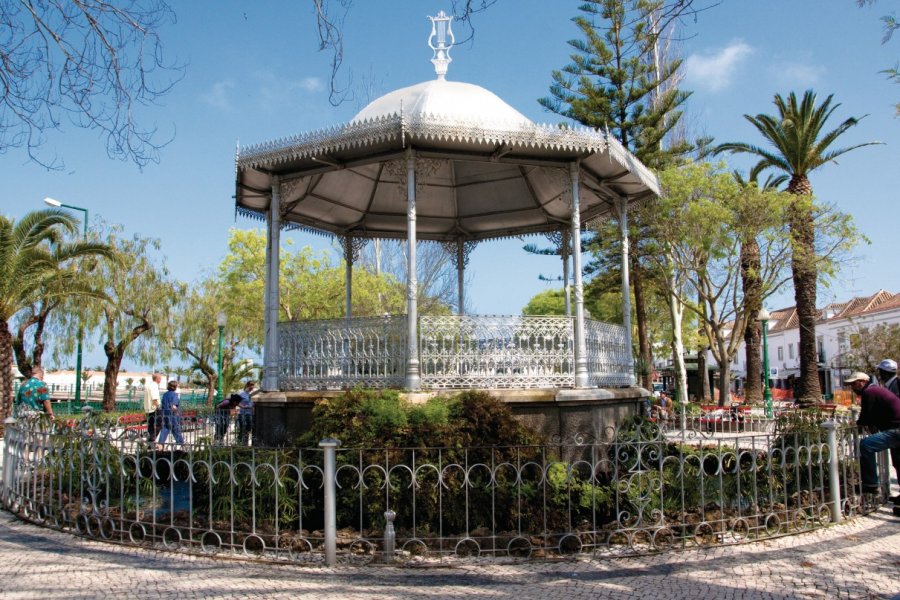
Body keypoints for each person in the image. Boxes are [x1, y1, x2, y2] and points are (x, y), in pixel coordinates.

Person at [845, 371, 900, 495]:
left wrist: (858, 425)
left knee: (866, 445)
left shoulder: (869, 392)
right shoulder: (875, 390)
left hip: (896, 429)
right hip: (895, 428)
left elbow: (866, 416)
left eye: (854, 384)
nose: (852, 387)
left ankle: (870, 484)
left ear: (863, 382)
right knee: (898, 462)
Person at [876, 359, 900, 500]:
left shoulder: (896, 385)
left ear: (884, 372)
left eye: (880, 371)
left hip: (896, 429)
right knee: (897, 462)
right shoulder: (889, 386)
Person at [157, 380, 184, 448]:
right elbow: (174, 406)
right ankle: (181, 443)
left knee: (165, 428)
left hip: (165, 414)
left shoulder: (165, 394)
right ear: (175, 387)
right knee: (175, 428)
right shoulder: (174, 395)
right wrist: (177, 413)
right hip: (172, 415)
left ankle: (160, 443)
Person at [143, 373, 162, 444]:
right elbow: (155, 399)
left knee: (150, 425)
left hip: (148, 408)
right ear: (157, 379)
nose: (160, 380)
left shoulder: (148, 386)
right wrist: (159, 407)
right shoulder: (154, 386)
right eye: (160, 378)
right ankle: (152, 438)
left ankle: (149, 441)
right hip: (154, 408)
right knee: (160, 423)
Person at [236, 381, 256, 446]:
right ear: (247, 386)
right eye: (251, 386)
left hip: (251, 414)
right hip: (243, 414)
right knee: (243, 429)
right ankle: (241, 443)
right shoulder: (242, 394)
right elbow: (236, 402)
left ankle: (246, 444)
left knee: (249, 429)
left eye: (253, 386)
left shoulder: (254, 394)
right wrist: (242, 406)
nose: (252, 387)